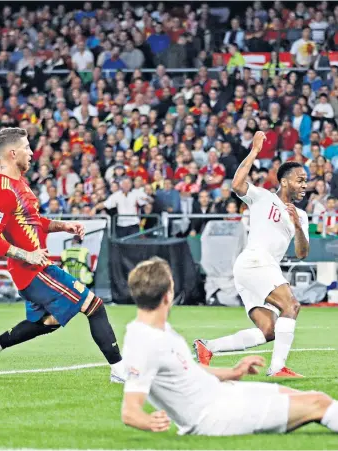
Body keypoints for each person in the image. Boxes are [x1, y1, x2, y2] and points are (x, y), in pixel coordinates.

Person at [0, 128, 125, 383]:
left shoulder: (20, 183)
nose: (32, 153)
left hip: (37, 267)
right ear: (13, 153)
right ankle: (121, 372)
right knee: (94, 306)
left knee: (47, 322)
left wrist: (63, 225)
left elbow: (34, 221)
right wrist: (27, 255)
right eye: (27, 148)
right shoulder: (2, 190)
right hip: (32, 271)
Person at [121, 257, 338, 436]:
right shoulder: (144, 341)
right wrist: (149, 422)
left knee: (303, 394)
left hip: (222, 395)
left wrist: (233, 372)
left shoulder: (158, 330)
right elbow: (130, 411)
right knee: (318, 403)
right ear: (168, 295)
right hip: (215, 416)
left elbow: (189, 369)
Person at [194, 132, 310, 377]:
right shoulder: (263, 197)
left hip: (257, 268)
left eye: (305, 181)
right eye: (300, 180)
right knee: (292, 305)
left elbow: (301, 253)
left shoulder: (302, 216)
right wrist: (255, 151)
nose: (304, 185)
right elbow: (236, 185)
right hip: (256, 260)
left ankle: (208, 347)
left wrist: (297, 225)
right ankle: (278, 368)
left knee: (269, 330)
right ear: (286, 181)